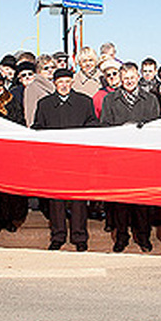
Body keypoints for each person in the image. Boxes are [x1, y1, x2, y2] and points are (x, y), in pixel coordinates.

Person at [33, 67, 97, 250]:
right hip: (54, 160)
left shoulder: (84, 102)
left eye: (67, 82)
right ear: (54, 83)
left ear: (72, 83)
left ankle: (79, 237)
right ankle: (58, 236)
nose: (64, 85)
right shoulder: (45, 104)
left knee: (78, 201)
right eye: (60, 82)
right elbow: (38, 127)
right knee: (56, 201)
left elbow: (93, 124)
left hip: (78, 159)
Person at [99, 62, 161, 253]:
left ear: (138, 77)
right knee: (120, 202)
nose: (129, 81)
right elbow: (104, 126)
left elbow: (156, 126)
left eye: (132, 77)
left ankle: (143, 236)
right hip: (120, 156)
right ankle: (121, 236)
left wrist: (141, 130)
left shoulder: (150, 99)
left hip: (142, 156)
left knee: (142, 201)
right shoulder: (110, 100)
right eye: (125, 78)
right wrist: (121, 130)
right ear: (120, 79)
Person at [0, 67, 28, 233]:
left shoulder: (11, 100)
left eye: (0, 84)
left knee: (10, 187)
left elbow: (20, 121)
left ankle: (10, 219)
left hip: (10, 149)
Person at [22, 54, 57, 127]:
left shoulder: (58, 85)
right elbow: (30, 114)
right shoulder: (32, 87)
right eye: (46, 68)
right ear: (38, 71)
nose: (50, 70)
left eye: (53, 67)